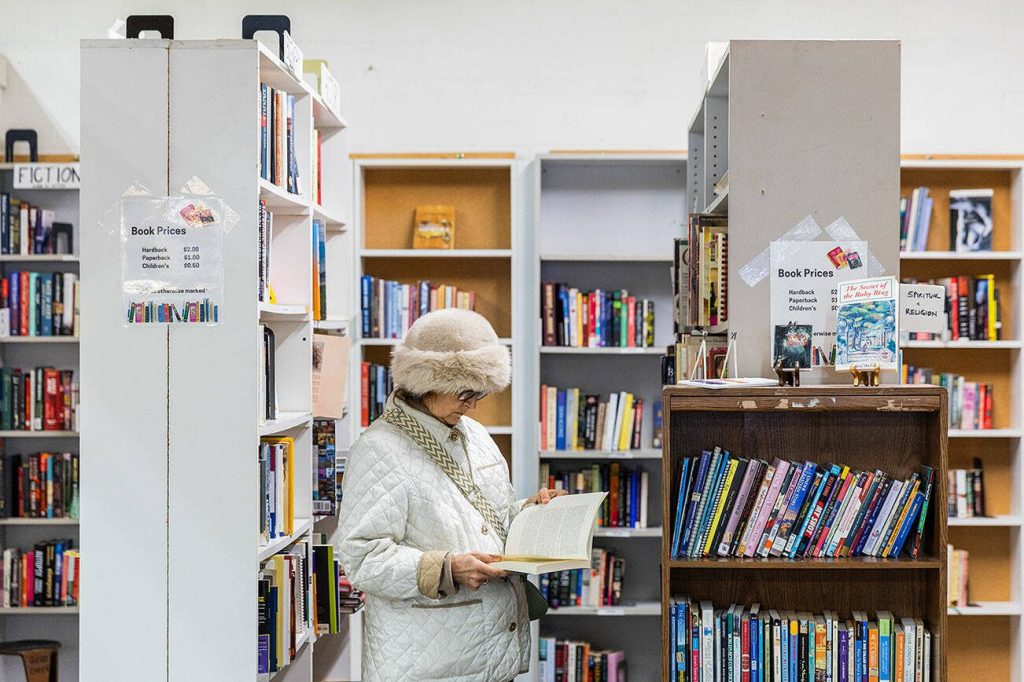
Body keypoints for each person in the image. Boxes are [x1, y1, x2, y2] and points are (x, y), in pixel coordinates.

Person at [338, 308, 565, 681]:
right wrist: (446, 568)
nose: (473, 404)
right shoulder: (379, 449)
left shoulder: (475, 434)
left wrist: (531, 511)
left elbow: (490, 517)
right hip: (429, 664)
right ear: (428, 381)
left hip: (490, 654)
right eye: (465, 392)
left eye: (479, 392)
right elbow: (361, 558)